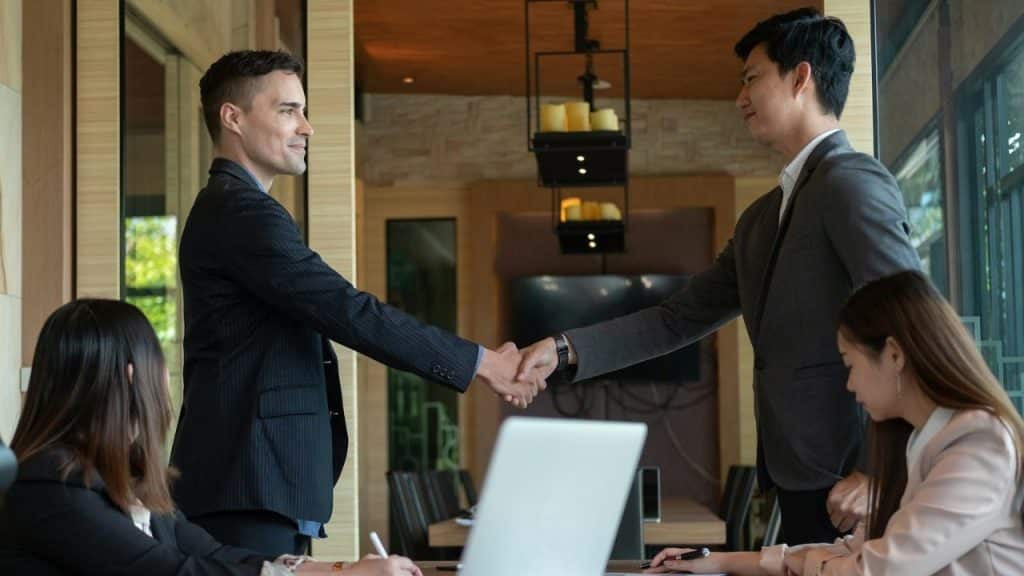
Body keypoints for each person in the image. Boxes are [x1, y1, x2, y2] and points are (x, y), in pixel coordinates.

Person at [517, 8, 920, 544]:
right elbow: (676, 318)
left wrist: (881, 471)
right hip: (800, 476)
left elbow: (911, 324)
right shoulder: (761, 217)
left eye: (752, 78)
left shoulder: (852, 183)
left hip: (853, 484)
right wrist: (562, 348)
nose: (740, 97)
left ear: (801, 77)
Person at [170, 49, 542, 557]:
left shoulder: (240, 209)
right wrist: (481, 363)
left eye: (303, 111)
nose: (306, 127)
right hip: (246, 485)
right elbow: (347, 310)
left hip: (253, 485)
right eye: (287, 110)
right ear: (232, 117)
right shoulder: (240, 211)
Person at [0, 299, 422, 576]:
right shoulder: (52, 487)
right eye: (159, 362)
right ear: (132, 376)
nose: (166, 378)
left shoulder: (119, 477)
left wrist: (341, 569)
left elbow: (215, 555)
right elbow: (174, 573)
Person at [645, 271, 1024, 575]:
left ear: (893, 355)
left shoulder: (978, 442)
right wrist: (717, 562)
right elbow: (855, 551)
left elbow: (877, 569)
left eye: (850, 364)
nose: (849, 383)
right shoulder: (923, 440)